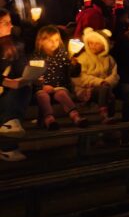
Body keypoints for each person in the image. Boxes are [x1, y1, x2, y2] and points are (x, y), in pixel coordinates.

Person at [32, 26, 88, 130]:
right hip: (42, 89)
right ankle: (49, 119)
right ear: (40, 41)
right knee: (42, 95)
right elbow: (33, 78)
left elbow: (73, 73)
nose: (54, 43)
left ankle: (75, 116)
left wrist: (74, 65)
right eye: (50, 40)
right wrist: (42, 86)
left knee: (61, 93)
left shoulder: (63, 56)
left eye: (56, 40)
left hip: (59, 87)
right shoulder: (36, 58)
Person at [0, 9, 33, 161]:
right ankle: (8, 146)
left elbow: (21, 67)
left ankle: (9, 126)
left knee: (23, 87)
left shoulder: (14, 43)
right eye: (5, 23)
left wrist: (31, 74)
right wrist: (5, 81)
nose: (11, 26)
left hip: (10, 90)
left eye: (10, 22)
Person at [72, 27, 119, 124]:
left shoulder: (109, 59)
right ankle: (105, 115)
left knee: (107, 91)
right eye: (90, 43)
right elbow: (81, 77)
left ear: (104, 45)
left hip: (105, 88)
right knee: (105, 90)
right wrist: (100, 82)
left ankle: (110, 120)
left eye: (97, 43)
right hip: (87, 89)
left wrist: (107, 82)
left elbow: (114, 75)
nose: (93, 46)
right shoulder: (83, 58)